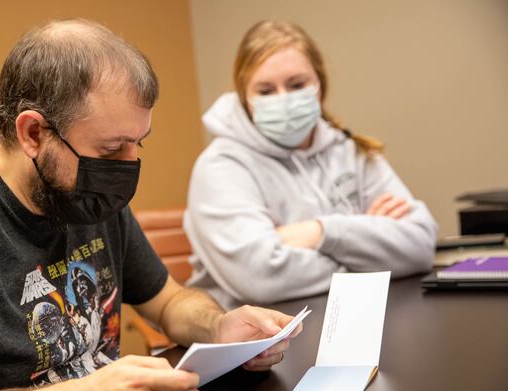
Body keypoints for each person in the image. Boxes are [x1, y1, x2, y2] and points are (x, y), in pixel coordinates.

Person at [0, 19, 301, 391]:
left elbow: (167, 303)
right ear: (34, 133)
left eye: (138, 143)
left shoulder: (86, 195)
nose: (127, 165)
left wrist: (217, 327)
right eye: (112, 149)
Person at [184, 20, 438, 310]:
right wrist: (373, 250)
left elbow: (420, 245)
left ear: (319, 85)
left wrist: (320, 232)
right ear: (245, 98)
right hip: (261, 342)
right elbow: (261, 277)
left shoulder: (350, 150)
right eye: (265, 91)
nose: (284, 99)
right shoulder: (221, 167)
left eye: (296, 84)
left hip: (354, 318)